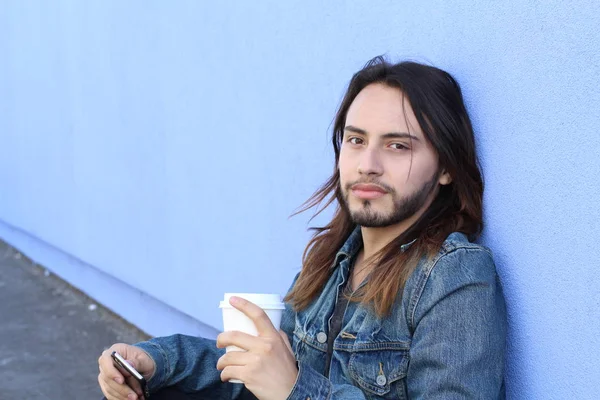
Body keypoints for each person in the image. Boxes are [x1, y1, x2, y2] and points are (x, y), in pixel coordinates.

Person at [98, 56, 507, 400]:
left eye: (397, 145)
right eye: (356, 140)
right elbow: (255, 379)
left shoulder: (453, 276)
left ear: (447, 169)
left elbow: (285, 383)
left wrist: (296, 388)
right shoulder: (332, 260)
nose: (368, 163)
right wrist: (154, 362)